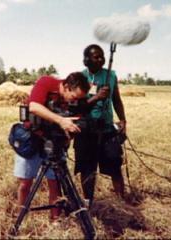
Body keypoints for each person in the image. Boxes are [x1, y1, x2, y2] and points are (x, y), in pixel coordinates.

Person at [14, 72, 90, 220]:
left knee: (55, 183)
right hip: (33, 138)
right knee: (25, 183)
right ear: (66, 87)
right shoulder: (46, 82)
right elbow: (34, 107)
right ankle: (20, 217)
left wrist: (71, 133)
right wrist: (61, 121)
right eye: (74, 97)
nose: (75, 101)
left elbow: (77, 118)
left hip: (55, 143)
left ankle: (55, 220)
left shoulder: (77, 100)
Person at [74, 44, 127, 205]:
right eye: (96, 56)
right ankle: (88, 202)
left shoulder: (110, 75)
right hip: (86, 130)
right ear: (86, 60)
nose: (101, 59)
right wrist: (96, 97)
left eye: (102, 56)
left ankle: (120, 202)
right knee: (87, 169)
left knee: (114, 165)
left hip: (107, 129)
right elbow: (78, 105)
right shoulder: (80, 78)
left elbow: (116, 99)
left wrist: (123, 119)